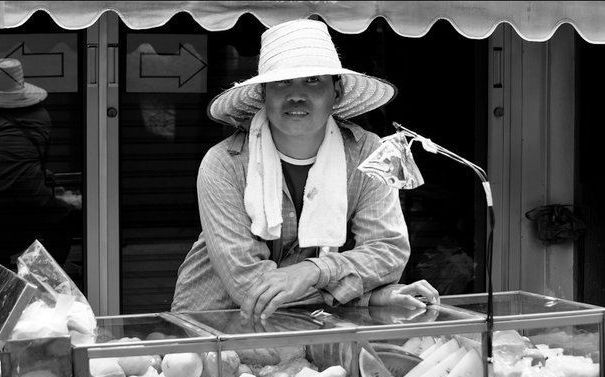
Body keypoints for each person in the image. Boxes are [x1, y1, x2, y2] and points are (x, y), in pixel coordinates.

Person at [171, 19, 438, 322]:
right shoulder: (225, 163)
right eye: (282, 82)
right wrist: (366, 296)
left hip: (311, 328)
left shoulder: (367, 153)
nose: (296, 95)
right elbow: (250, 288)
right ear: (263, 94)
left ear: (336, 92)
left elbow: (387, 252)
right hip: (215, 328)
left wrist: (313, 270)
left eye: (312, 81)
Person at [0, 58, 78, 286]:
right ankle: (41, 278)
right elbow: (40, 157)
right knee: (65, 216)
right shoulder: (42, 118)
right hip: (32, 203)